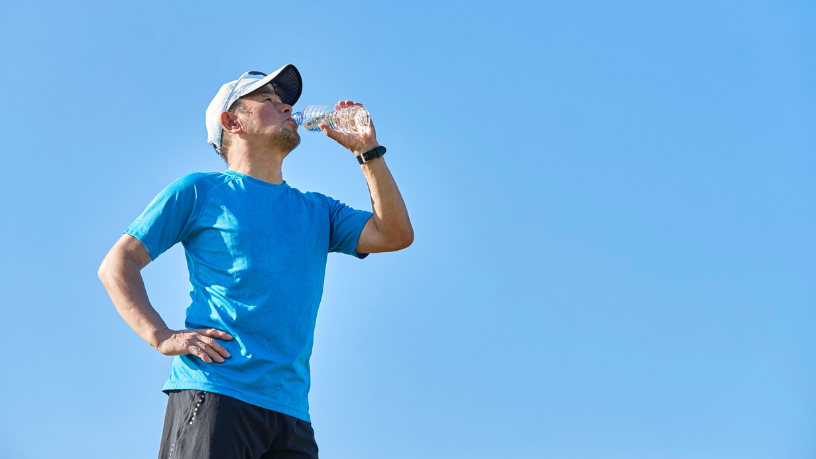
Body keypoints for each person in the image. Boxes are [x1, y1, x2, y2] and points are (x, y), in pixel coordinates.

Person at [97, 64, 413, 459]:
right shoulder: (199, 191)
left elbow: (395, 235)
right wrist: (161, 335)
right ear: (232, 122)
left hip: (291, 414)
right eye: (268, 100)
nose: (286, 107)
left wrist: (368, 152)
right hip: (216, 392)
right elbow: (117, 264)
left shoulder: (319, 210)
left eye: (285, 102)